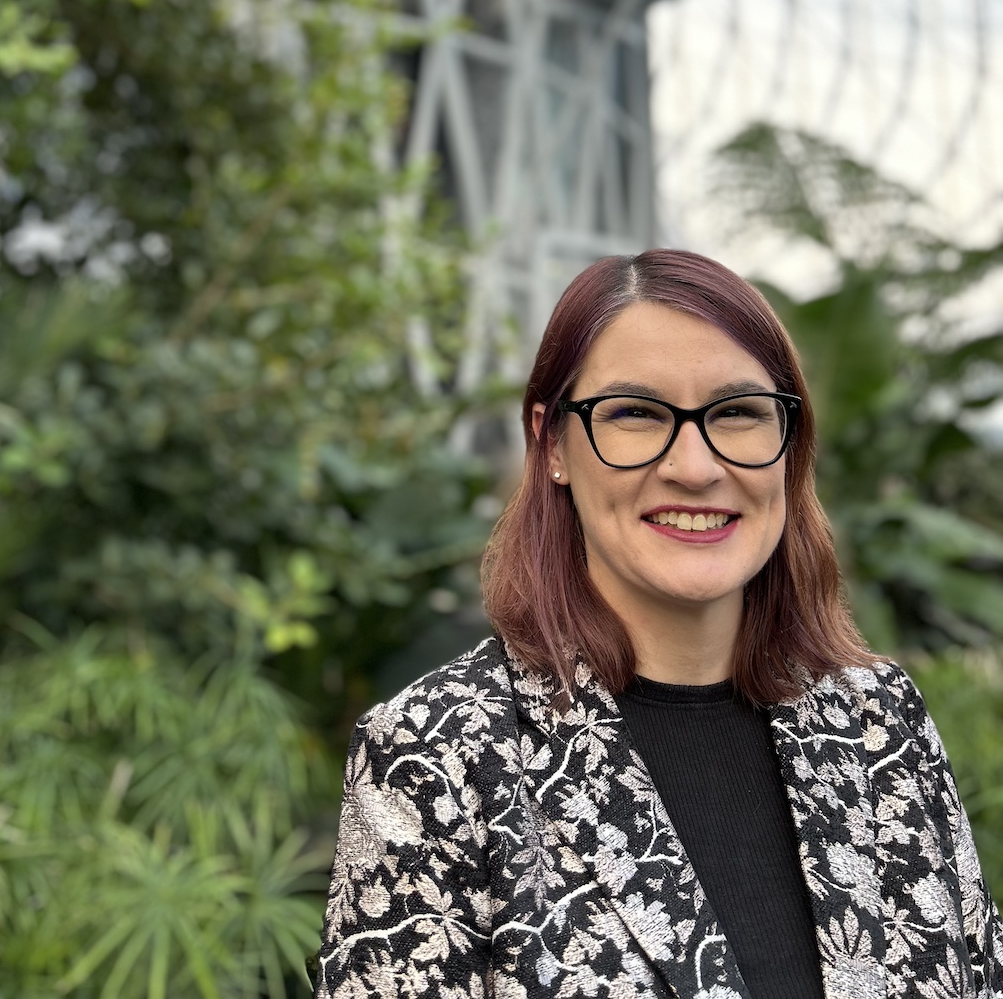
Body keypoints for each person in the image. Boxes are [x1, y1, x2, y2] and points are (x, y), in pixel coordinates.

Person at [316, 250, 1001, 999]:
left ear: (788, 442)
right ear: (552, 446)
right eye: (635, 414)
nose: (694, 465)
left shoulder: (878, 723)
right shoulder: (437, 758)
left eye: (736, 412)